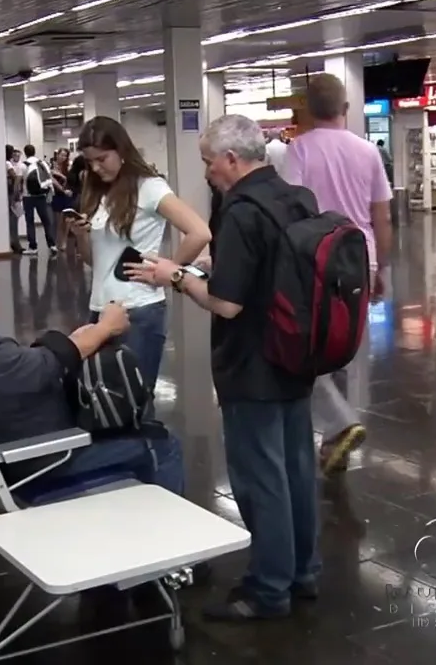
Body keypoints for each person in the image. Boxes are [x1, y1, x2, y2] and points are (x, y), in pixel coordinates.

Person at [127, 114, 320, 621]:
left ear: (232, 160)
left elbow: (227, 304)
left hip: (252, 362)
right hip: (297, 353)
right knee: (298, 466)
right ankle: (304, 571)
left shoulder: (240, 210)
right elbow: (269, 266)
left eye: (209, 163)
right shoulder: (296, 196)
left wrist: (174, 276)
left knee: (260, 475)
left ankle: (268, 588)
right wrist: (211, 266)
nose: (208, 173)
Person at [0, 246, 184, 493]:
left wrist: (77, 339)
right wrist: (106, 328)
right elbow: (52, 361)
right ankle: (174, 539)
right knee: (162, 444)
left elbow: (34, 360)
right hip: (44, 460)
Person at [284, 73, 393, 473]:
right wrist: (381, 266)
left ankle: (337, 423)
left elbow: (292, 208)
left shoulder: (299, 150)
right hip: (358, 258)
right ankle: (335, 439)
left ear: (309, 111)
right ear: (346, 108)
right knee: (342, 345)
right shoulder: (368, 152)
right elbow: (382, 216)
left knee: (305, 343)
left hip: (313, 259)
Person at [72, 115, 212, 414]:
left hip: (138, 310)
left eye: (101, 159)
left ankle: (149, 458)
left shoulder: (149, 187)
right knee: (104, 400)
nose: (96, 167)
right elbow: (94, 262)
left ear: (121, 150)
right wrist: (81, 237)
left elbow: (199, 232)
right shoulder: (98, 190)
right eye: (89, 162)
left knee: (134, 403)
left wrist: (169, 269)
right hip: (99, 308)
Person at [20, 144, 57, 257]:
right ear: (34, 151)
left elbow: (21, 180)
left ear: (25, 152)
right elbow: (49, 177)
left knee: (30, 221)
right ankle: (52, 244)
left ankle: (33, 247)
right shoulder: (42, 163)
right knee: (46, 221)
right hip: (41, 195)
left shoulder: (23, 165)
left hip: (28, 196)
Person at [50, 148, 76, 252]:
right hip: (56, 195)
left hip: (68, 194)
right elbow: (51, 179)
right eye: (61, 155)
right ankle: (56, 241)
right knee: (57, 220)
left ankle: (64, 241)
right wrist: (62, 186)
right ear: (57, 155)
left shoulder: (69, 166)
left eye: (65, 155)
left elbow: (70, 180)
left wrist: (66, 185)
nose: (63, 157)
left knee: (67, 219)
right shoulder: (51, 165)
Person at [5, 145, 24, 254]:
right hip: (12, 193)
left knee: (12, 218)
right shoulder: (8, 164)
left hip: (7, 192)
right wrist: (17, 190)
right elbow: (15, 176)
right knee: (14, 218)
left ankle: (14, 241)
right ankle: (15, 243)